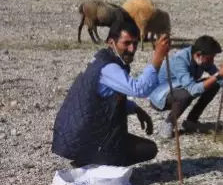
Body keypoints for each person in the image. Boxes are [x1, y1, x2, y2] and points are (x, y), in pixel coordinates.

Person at [51, 19, 170, 167]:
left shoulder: (101, 59)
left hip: (77, 135)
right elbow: (139, 89)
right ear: (111, 42)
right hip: (81, 139)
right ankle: (92, 162)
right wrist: (158, 58)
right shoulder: (108, 68)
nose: (132, 49)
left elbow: (105, 99)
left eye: (135, 43)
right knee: (148, 149)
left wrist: (135, 108)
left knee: (134, 143)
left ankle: (91, 160)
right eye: (126, 43)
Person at [148, 35, 223, 139]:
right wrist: (218, 75)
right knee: (187, 95)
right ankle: (168, 124)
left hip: (181, 88)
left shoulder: (203, 59)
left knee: (214, 83)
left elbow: (221, 80)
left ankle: (191, 122)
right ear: (198, 55)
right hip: (161, 96)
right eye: (210, 58)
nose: (212, 61)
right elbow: (193, 90)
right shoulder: (180, 60)